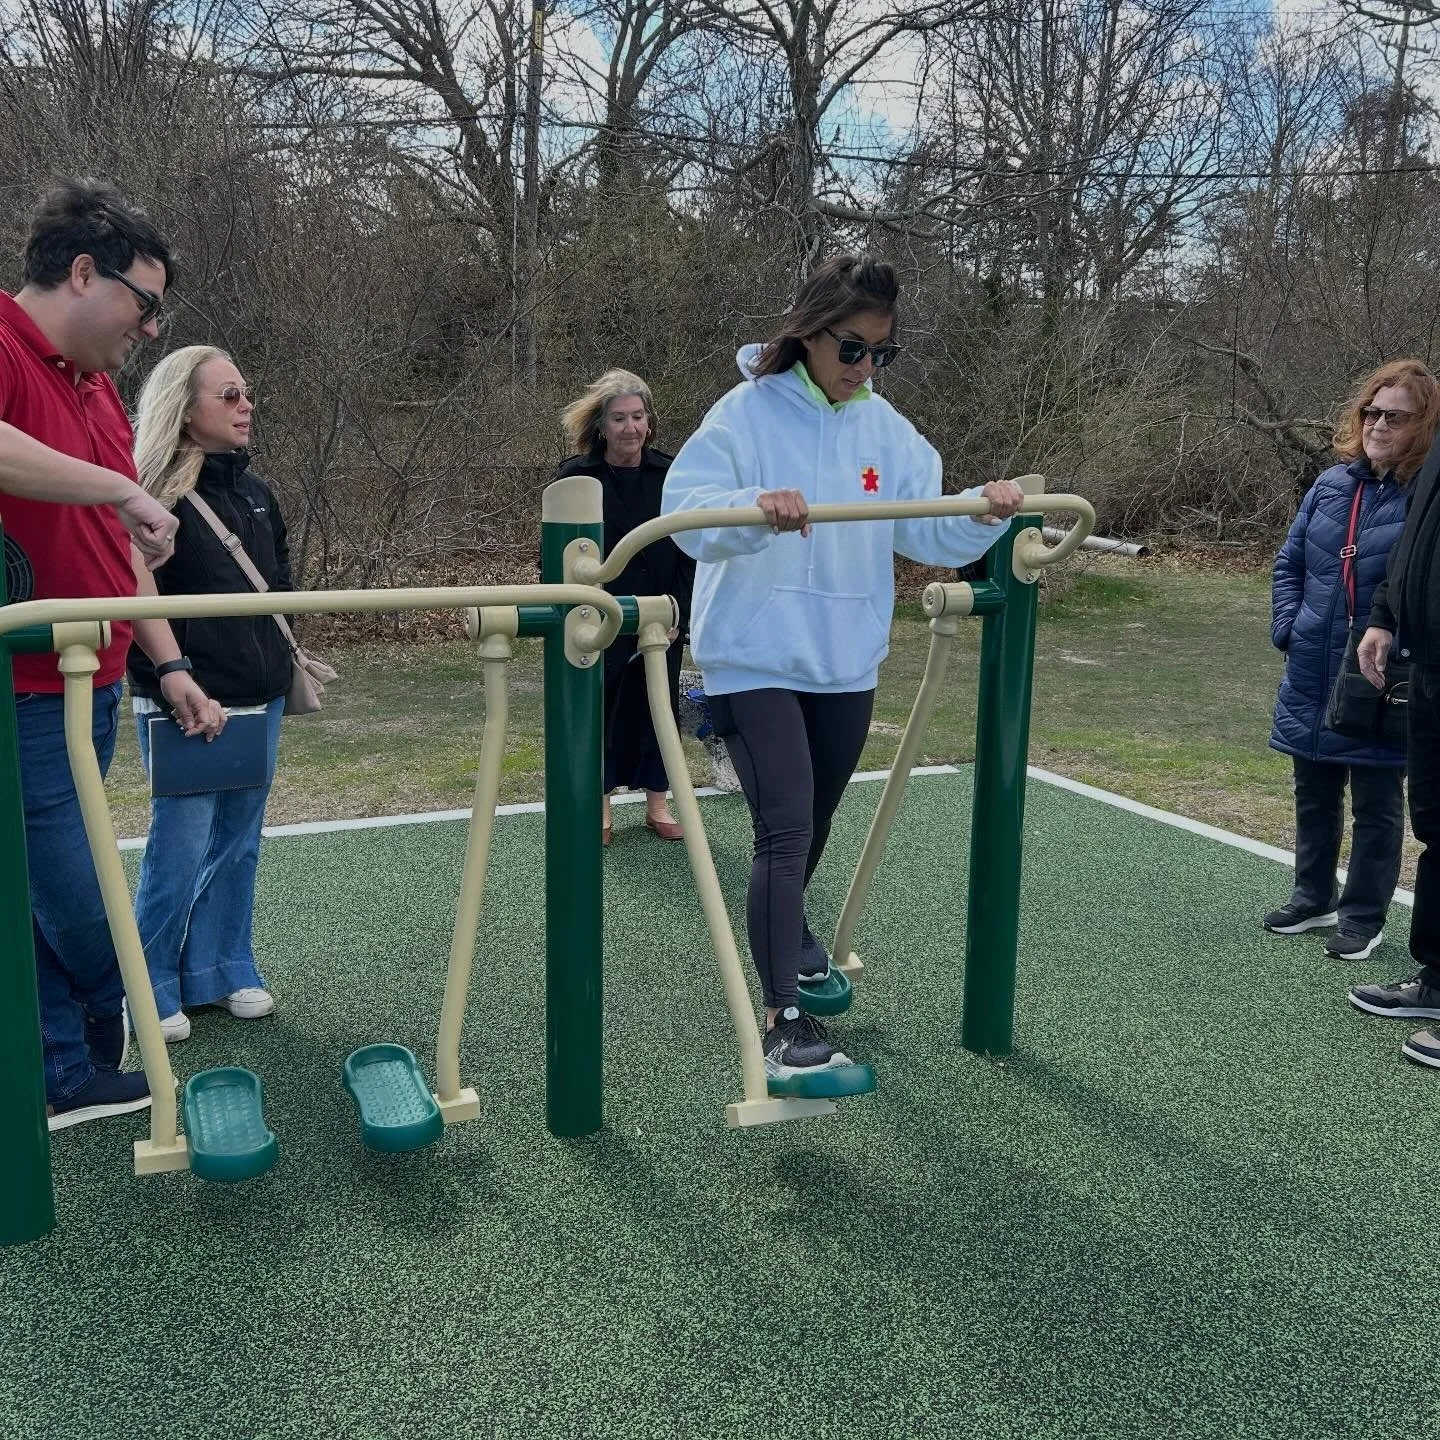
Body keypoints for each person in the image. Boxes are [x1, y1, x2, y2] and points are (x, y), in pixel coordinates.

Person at [660, 253, 1023, 1086]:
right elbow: (685, 519)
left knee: (815, 824)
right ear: (808, 334)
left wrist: (984, 513)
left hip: (843, 659)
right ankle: (783, 1022)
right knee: (784, 828)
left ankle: (789, 939)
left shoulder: (882, 428)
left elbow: (927, 532)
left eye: (882, 354)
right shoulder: (745, 413)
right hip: (753, 654)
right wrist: (756, 512)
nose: (865, 369)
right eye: (852, 350)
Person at [0, 179, 224, 1130]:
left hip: (92, 677)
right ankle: (105, 1013)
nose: (146, 330)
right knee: (74, 900)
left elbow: (118, 542)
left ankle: (68, 1066)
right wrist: (117, 487)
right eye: (143, 304)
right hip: (26, 684)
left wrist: (168, 664)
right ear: (83, 273)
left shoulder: (93, 387)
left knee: (57, 885)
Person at [127, 346, 292, 1041]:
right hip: (185, 700)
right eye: (228, 395)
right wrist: (177, 677)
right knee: (182, 844)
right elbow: (133, 601)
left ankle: (222, 967)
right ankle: (149, 982)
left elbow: (279, 585)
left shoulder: (258, 492)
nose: (245, 405)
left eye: (246, 393)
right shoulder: (152, 497)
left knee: (240, 843)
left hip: (261, 694)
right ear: (183, 407)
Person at [1264, 361, 1436, 959]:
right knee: (1312, 786)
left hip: (1380, 675)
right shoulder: (1332, 484)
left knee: (1376, 801)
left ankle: (1363, 916)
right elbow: (1289, 563)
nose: (1378, 424)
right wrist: (1290, 627)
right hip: (1311, 663)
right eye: (1372, 411)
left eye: (1395, 415)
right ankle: (1313, 895)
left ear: (1425, 425)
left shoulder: (1426, 498)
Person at [556, 370, 694, 845]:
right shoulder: (575, 478)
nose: (630, 427)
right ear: (601, 426)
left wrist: (680, 615)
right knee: (602, 709)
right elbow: (559, 555)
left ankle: (659, 803)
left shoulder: (672, 475)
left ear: (649, 422)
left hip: (662, 618)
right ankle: (600, 807)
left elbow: (689, 549)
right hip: (598, 620)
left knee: (659, 710)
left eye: (637, 417)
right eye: (619, 419)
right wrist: (582, 617)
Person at [1350, 397, 1440, 1068]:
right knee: (1438, 823)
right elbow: (1415, 539)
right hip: (1431, 659)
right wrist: (1385, 613)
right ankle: (1436, 980)